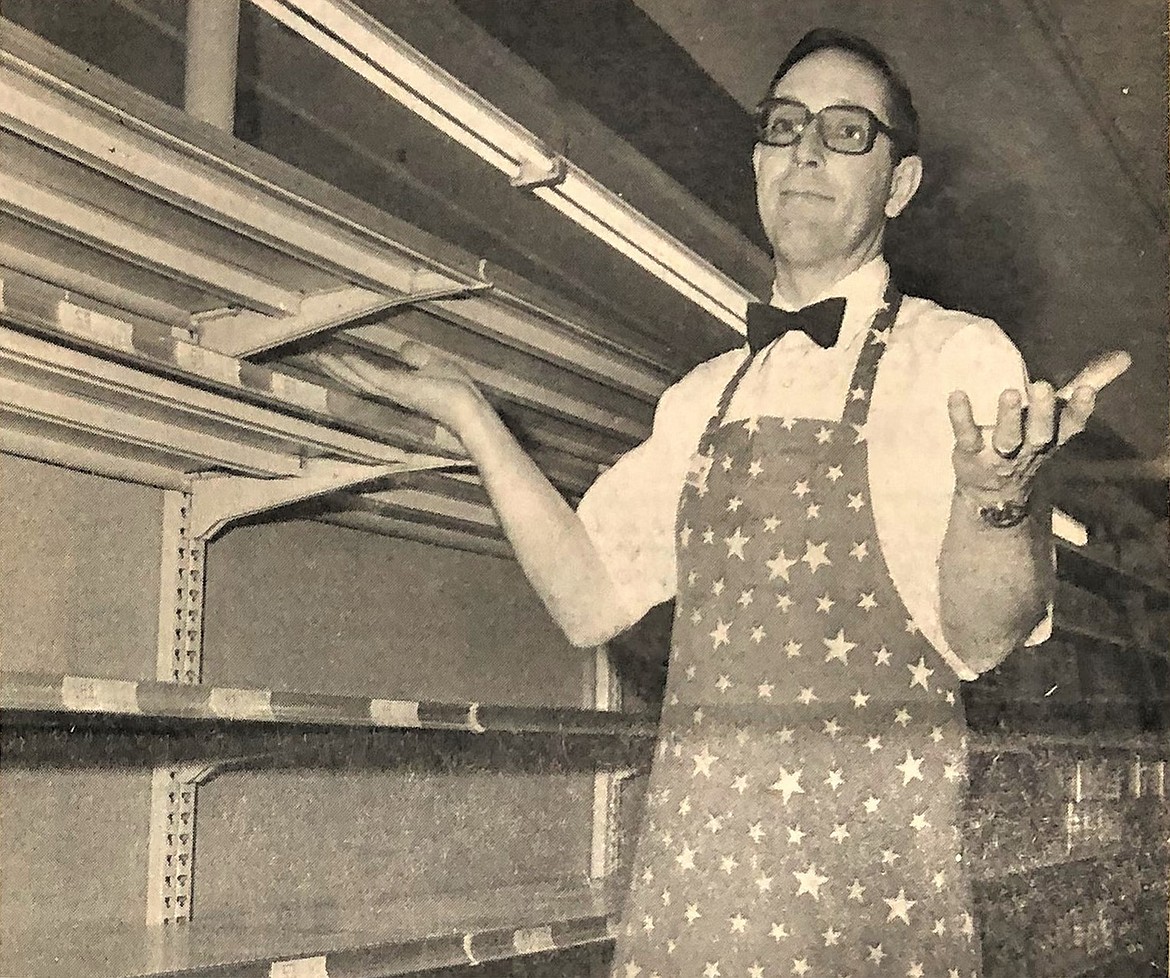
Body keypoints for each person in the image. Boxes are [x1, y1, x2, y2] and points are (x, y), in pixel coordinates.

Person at [317, 27, 1126, 978]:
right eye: (785, 127)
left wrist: (999, 497)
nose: (809, 152)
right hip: (699, 893)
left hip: (863, 899)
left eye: (847, 132)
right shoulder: (702, 397)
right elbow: (588, 600)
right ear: (756, 162)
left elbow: (988, 634)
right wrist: (471, 415)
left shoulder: (954, 358)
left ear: (899, 186)